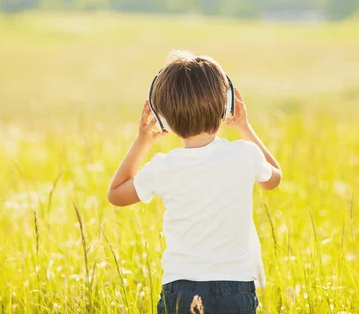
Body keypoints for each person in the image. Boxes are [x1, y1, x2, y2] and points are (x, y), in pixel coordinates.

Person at [107, 51, 283, 313]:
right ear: (226, 105)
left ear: (163, 117)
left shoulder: (163, 167)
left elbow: (116, 194)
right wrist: (244, 127)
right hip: (236, 288)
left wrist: (142, 141)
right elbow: (274, 178)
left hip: (180, 291)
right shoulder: (245, 154)